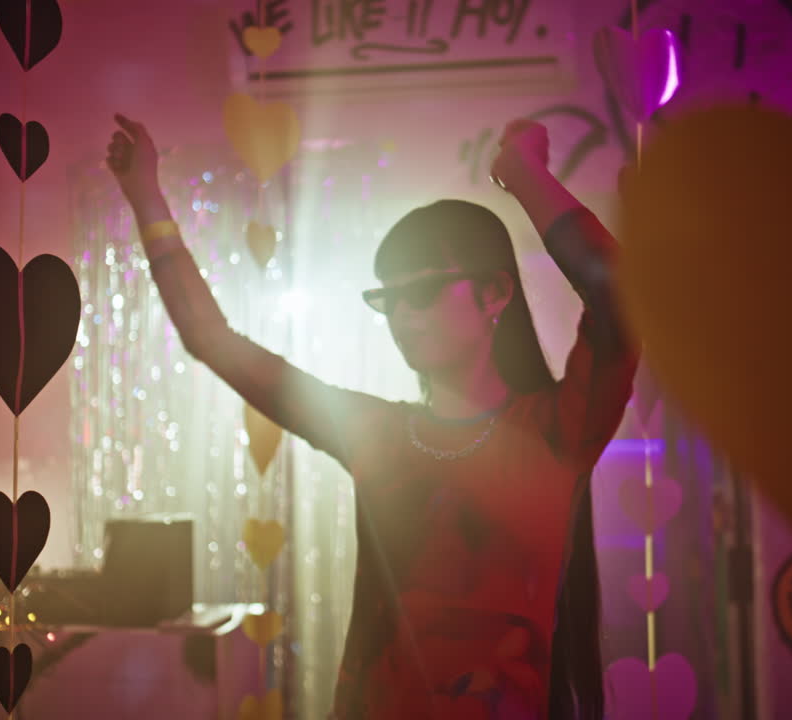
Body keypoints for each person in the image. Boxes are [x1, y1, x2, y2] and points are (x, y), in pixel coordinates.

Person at [106, 113, 638, 719]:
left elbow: (619, 293)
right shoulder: (379, 435)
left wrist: (523, 174)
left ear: (495, 294)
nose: (402, 316)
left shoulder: (555, 432)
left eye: (424, 292)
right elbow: (211, 339)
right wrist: (144, 194)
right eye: (388, 299)